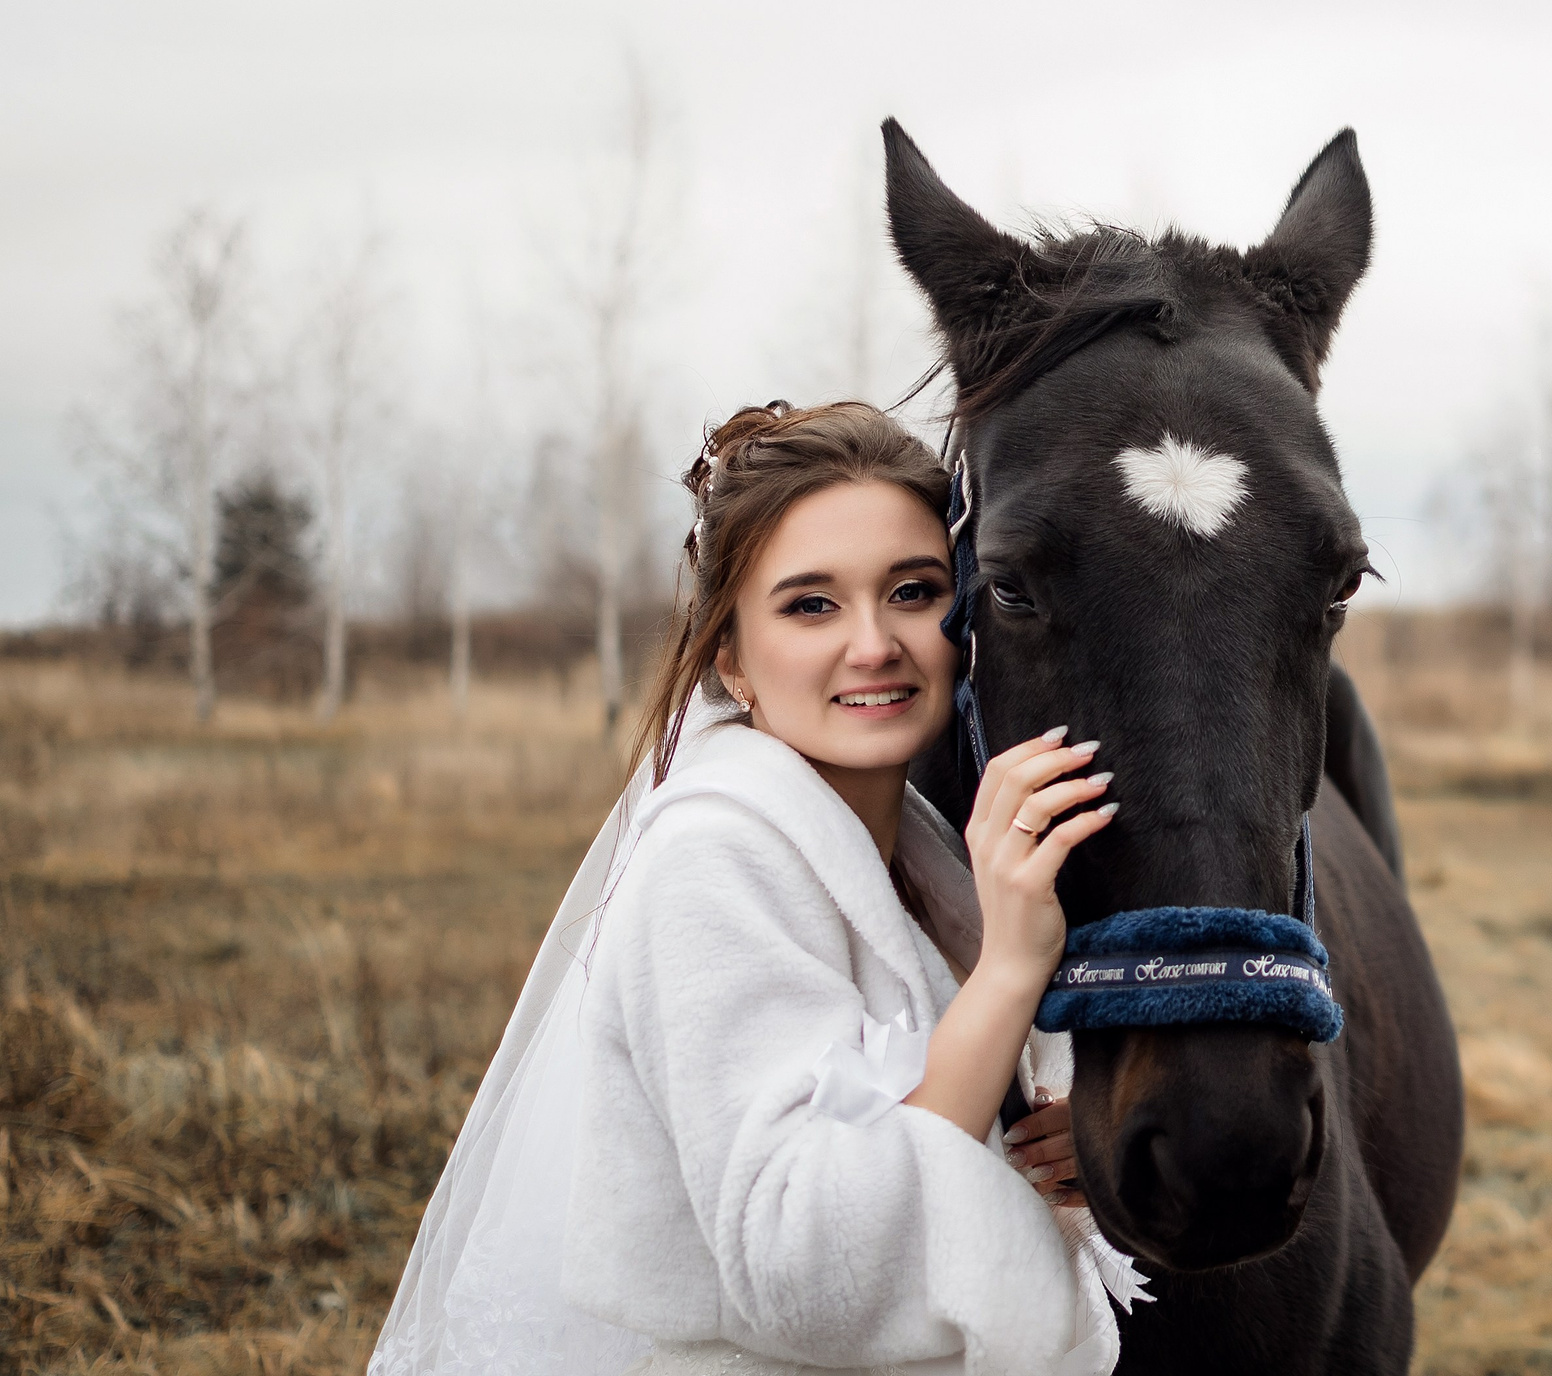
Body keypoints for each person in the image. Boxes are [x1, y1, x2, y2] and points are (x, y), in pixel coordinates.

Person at [371, 401, 1138, 1376]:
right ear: (729, 655)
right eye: (810, 604)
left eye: (911, 591)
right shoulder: (711, 860)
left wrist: (1058, 1147)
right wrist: (1010, 971)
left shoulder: (923, 849)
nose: (873, 645)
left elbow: (937, 1112)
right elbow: (804, 1268)